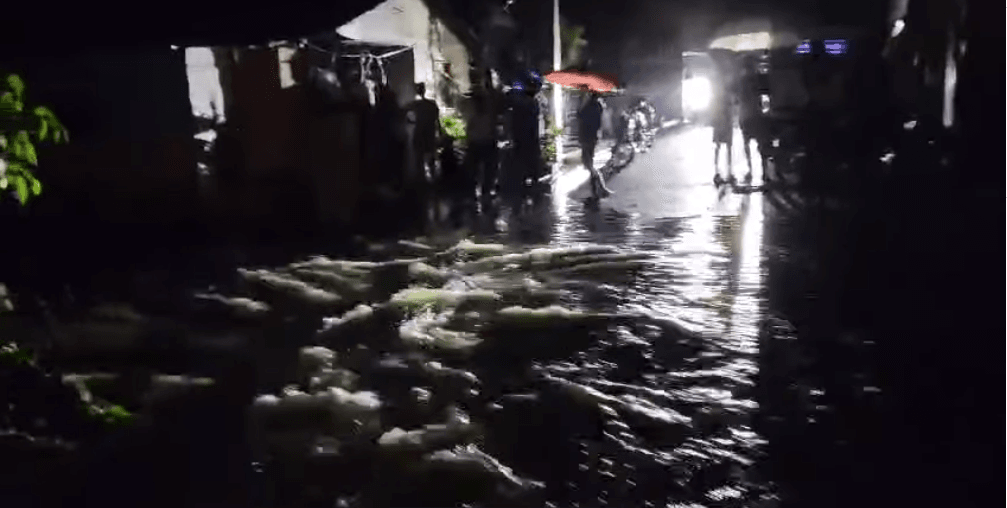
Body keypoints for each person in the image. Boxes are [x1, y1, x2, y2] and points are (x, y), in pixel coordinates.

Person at [737, 55, 770, 184]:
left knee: (747, 144)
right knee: (761, 144)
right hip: (756, 114)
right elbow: (764, 93)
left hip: (745, 115)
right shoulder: (757, 79)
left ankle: (750, 170)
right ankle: (765, 172)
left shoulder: (741, 80)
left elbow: (738, 98)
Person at [463, 90, 499, 206]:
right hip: (484, 144)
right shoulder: (484, 116)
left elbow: (469, 131)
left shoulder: (474, 115)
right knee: (485, 170)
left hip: (479, 144)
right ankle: (484, 193)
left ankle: (480, 193)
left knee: (477, 170)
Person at [577, 88, 613, 199]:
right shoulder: (598, 106)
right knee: (589, 163)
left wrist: (583, 103)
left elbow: (580, 116)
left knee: (588, 163)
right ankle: (597, 189)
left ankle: (600, 188)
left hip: (586, 136)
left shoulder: (589, 106)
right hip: (591, 137)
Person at [406, 82, 442, 185]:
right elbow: (437, 120)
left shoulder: (415, 104)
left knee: (420, 160)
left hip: (420, 133)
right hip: (429, 134)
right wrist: (440, 132)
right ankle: (433, 181)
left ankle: (422, 182)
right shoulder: (431, 104)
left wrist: (412, 122)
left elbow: (404, 113)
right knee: (430, 159)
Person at [711, 64, 736, 187]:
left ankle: (718, 171)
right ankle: (728, 171)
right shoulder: (725, 90)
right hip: (725, 120)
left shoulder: (716, 89)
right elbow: (730, 105)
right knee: (727, 146)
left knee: (719, 146)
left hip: (719, 120)